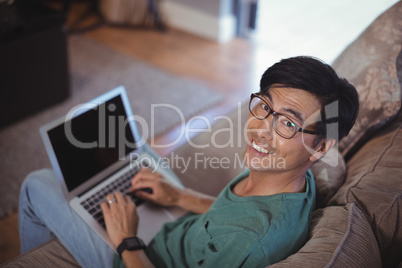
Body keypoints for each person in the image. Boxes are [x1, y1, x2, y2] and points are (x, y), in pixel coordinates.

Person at [19, 56, 359, 268]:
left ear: (319, 148)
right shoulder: (292, 180)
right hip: (179, 233)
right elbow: (230, 217)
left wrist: (126, 240)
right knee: (140, 158)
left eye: (287, 123)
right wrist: (178, 197)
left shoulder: (250, 243)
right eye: (265, 107)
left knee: (37, 184)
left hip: (138, 256)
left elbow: (237, 232)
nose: (259, 130)